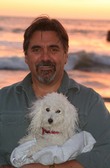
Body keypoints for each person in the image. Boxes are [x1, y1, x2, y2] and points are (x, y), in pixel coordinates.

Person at [0, 16, 110, 168]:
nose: (45, 57)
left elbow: (106, 152)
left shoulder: (90, 101)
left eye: (53, 49)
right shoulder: (3, 99)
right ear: (26, 56)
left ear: (65, 55)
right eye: (36, 49)